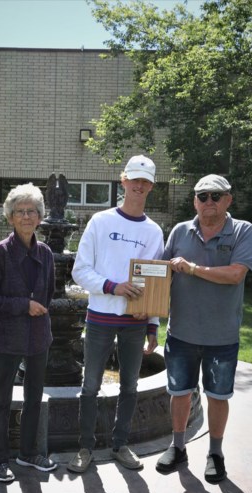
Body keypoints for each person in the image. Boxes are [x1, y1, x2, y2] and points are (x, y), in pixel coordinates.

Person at [68, 154, 165, 473]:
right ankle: (85, 448)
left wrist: (152, 324)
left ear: (151, 186)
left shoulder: (153, 232)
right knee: (90, 385)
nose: (139, 185)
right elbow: (79, 271)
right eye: (134, 179)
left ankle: (121, 445)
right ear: (123, 181)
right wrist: (113, 286)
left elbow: (154, 282)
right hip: (99, 319)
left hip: (134, 324)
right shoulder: (101, 222)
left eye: (145, 181)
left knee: (130, 387)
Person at [156, 174, 252, 483]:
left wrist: (194, 268)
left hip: (221, 336)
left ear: (228, 199)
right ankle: (178, 446)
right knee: (181, 394)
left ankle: (215, 453)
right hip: (181, 332)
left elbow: (236, 275)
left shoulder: (242, 230)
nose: (209, 202)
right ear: (194, 201)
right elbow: (159, 274)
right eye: (203, 196)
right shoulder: (179, 231)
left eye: (216, 196)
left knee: (217, 396)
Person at [0, 183, 57, 483]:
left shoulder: (46, 253)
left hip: (38, 338)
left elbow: (48, 292)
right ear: (10, 217)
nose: (26, 217)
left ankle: (28, 453)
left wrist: (36, 308)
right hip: (7, 338)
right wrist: (24, 305)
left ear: (39, 217)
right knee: (1, 399)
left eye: (32, 211)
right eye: (20, 212)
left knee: (34, 397)